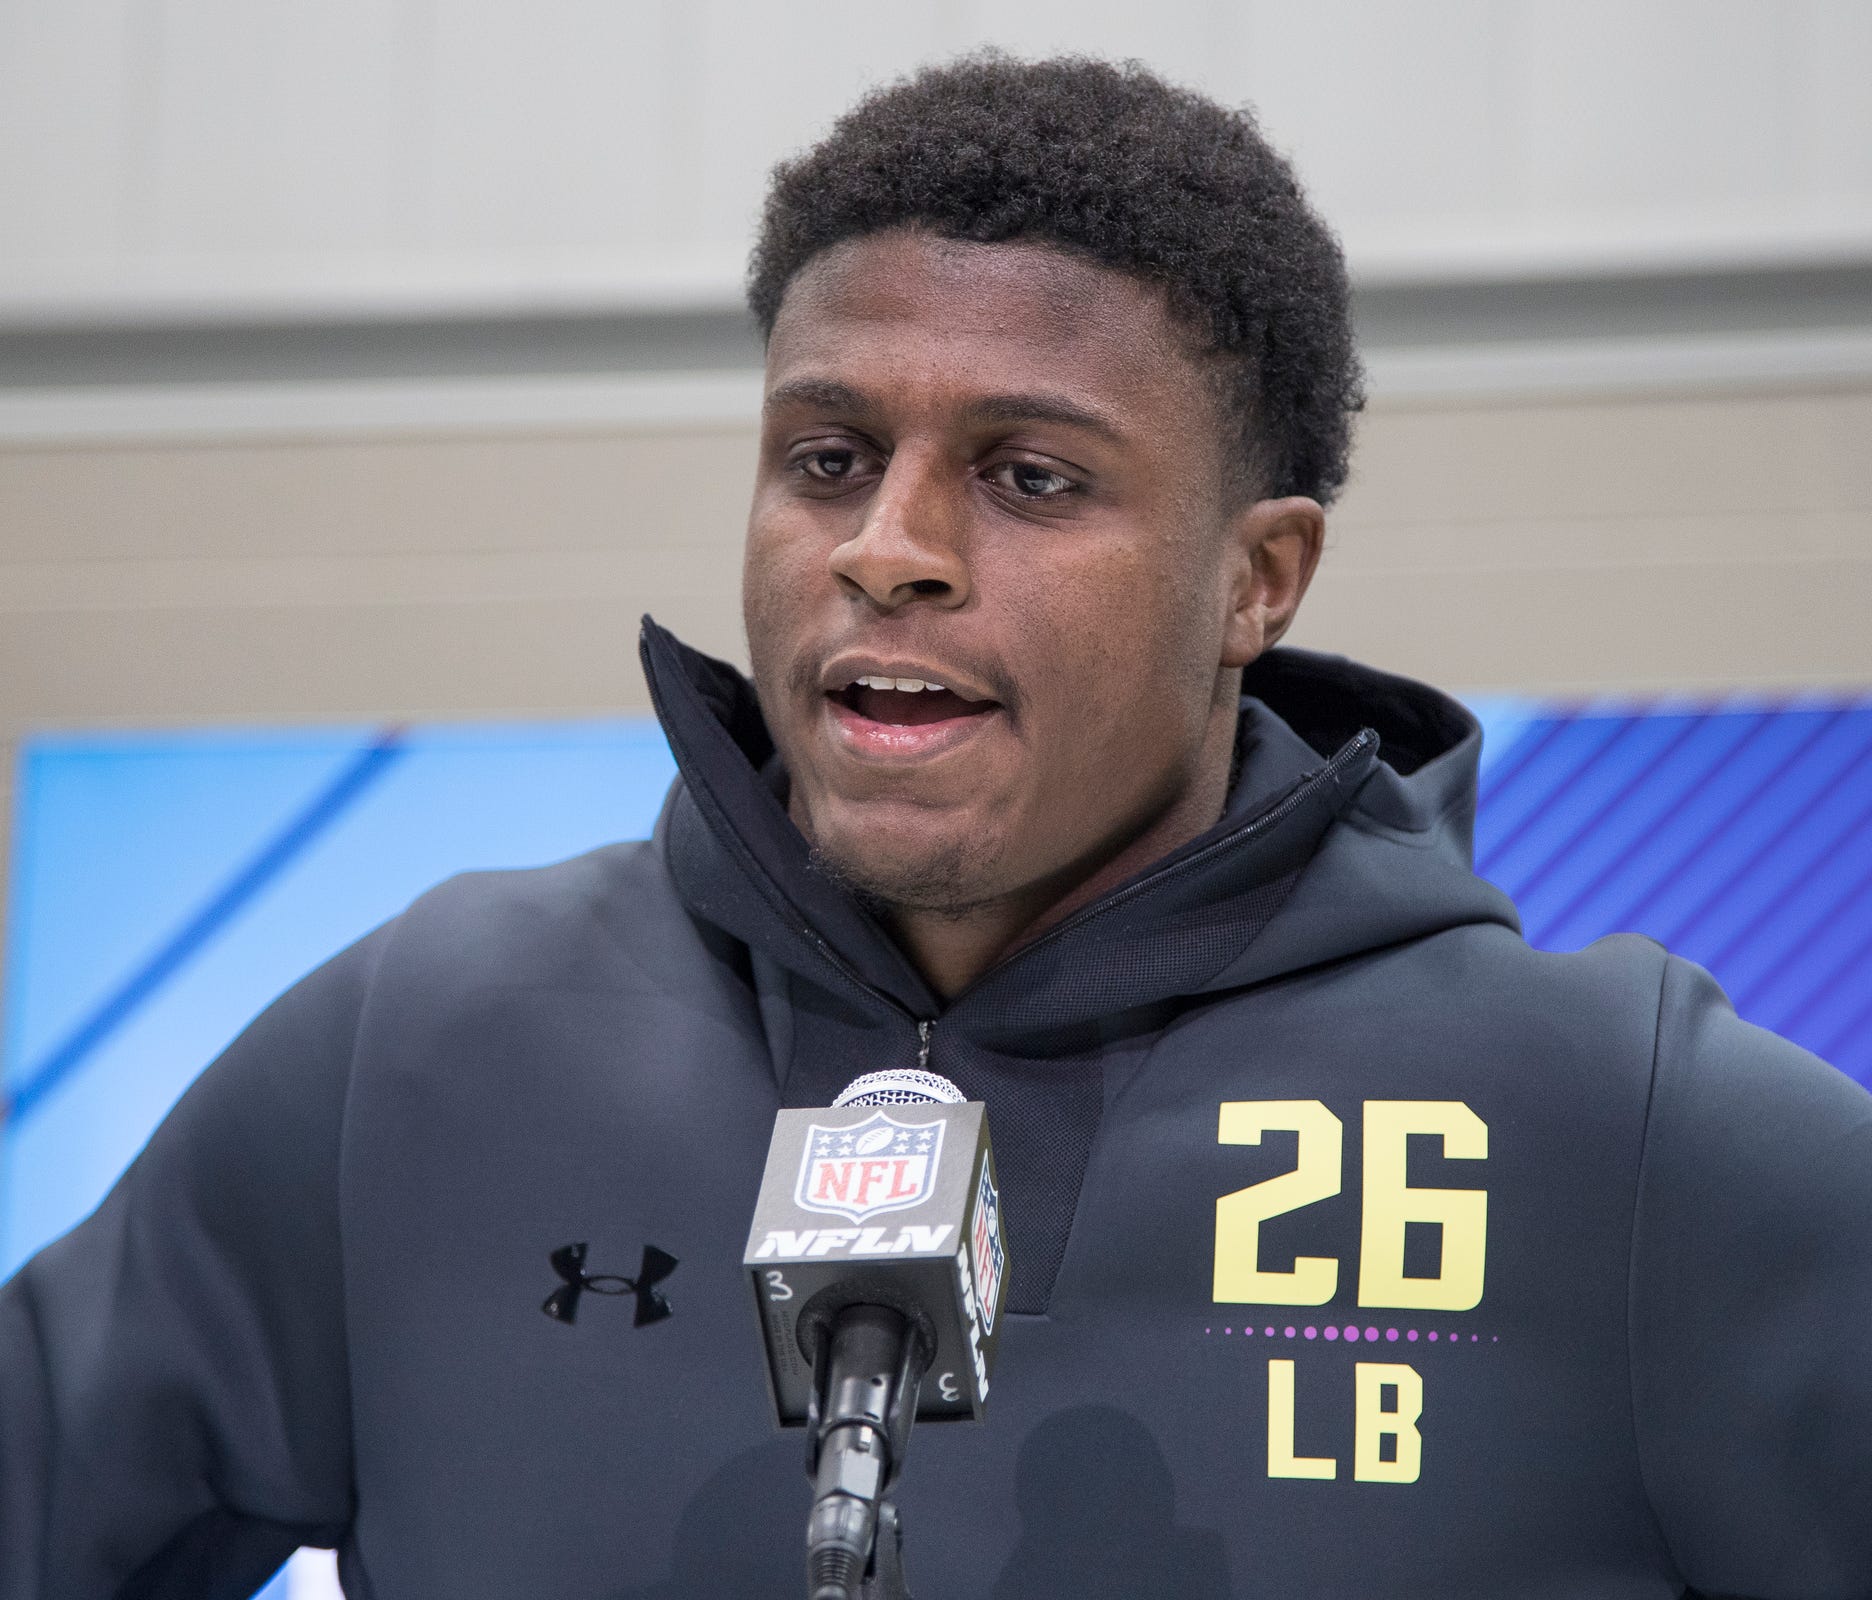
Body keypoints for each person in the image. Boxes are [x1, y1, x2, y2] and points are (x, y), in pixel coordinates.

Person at [4, 53, 1869, 1600]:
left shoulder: (1621, 1125)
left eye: (1030, 476)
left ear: (1257, 579)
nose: (887, 547)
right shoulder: (424, 1047)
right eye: (827, 458)